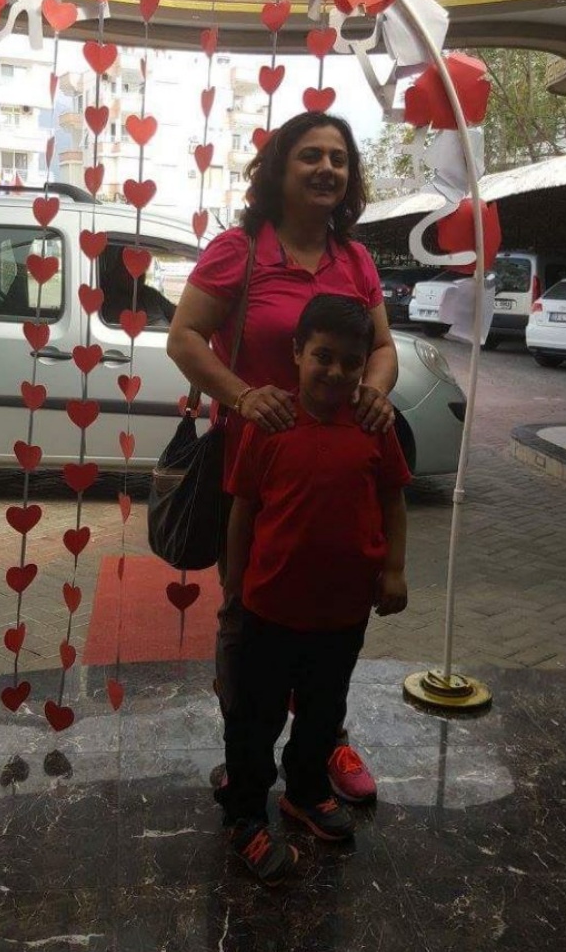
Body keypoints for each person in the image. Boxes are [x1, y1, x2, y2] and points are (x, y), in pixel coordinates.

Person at [167, 110, 398, 801]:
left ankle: (327, 743)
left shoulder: (355, 260)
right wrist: (242, 397)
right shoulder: (238, 250)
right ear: (280, 168)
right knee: (247, 615)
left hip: (334, 472)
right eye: (311, 155)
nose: (327, 168)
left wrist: (375, 394)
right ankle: (245, 751)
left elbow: (382, 347)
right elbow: (184, 337)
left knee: (330, 621)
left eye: (339, 158)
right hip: (254, 470)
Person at [221, 293, 410, 882]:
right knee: (255, 721)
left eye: (351, 362)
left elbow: (393, 499)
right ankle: (245, 815)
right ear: (298, 352)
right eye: (323, 356)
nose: (336, 372)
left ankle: (304, 793)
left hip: (343, 614)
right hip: (269, 609)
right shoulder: (270, 424)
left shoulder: (375, 426)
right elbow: (243, 511)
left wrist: (395, 569)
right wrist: (234, 587)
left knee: (323, 716)